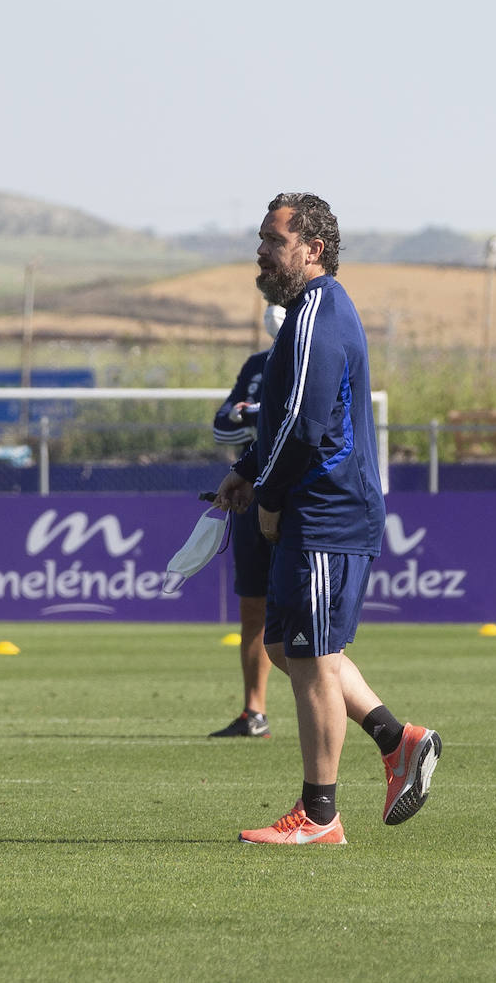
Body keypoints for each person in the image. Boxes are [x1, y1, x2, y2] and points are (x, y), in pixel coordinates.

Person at [214, 193, 440, 844]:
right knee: (285, 647)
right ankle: (397, 740)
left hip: (326, 511)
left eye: (274, 240)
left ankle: (318, 816)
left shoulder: (318, 312)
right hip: (319, 509)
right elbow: (285, 418)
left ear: (312, 249)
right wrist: (247, 467)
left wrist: (268, 495)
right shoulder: (307, 313)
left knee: (312, 657)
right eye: (261, 238)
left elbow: (306, 426)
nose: (262, 250)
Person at [207, 304, 285, 739]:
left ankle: (331, 708)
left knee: (304, 612)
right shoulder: (256, 365)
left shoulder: (315, 355)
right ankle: (254, 712)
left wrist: (251, 414)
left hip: (296, 500)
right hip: (250, 496)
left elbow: (297, 422)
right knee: (252, 604)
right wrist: (250, 416)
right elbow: (221, 426)